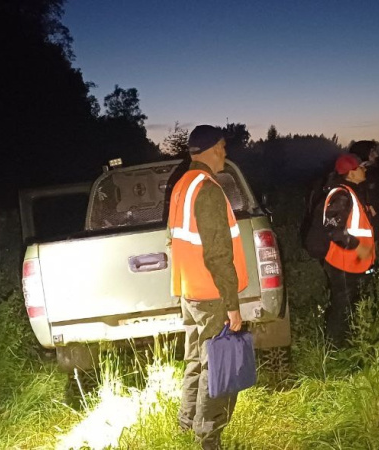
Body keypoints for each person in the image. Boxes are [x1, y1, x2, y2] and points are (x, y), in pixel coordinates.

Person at [169, 125, 249, 450]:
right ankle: (209, 438)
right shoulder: (208, 189)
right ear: (214, 148)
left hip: (190, 289)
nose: (226, 154)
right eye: (223, 148)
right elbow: (218, 254)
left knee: (196, 360)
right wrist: (232, 305)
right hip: (212, 293)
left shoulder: (182, 185)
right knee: (221, 364)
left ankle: (186, 424)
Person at [321, 153, 376, 347]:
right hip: (343, 263)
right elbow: (333, 230)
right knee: (342, 308)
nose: (365, 169)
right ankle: (334, 350)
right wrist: (357, 246)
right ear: (351, 173)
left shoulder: (351, 192)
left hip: (353, 263)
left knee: (350, 306)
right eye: (361, 167)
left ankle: (348, 344)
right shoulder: (341, 194)